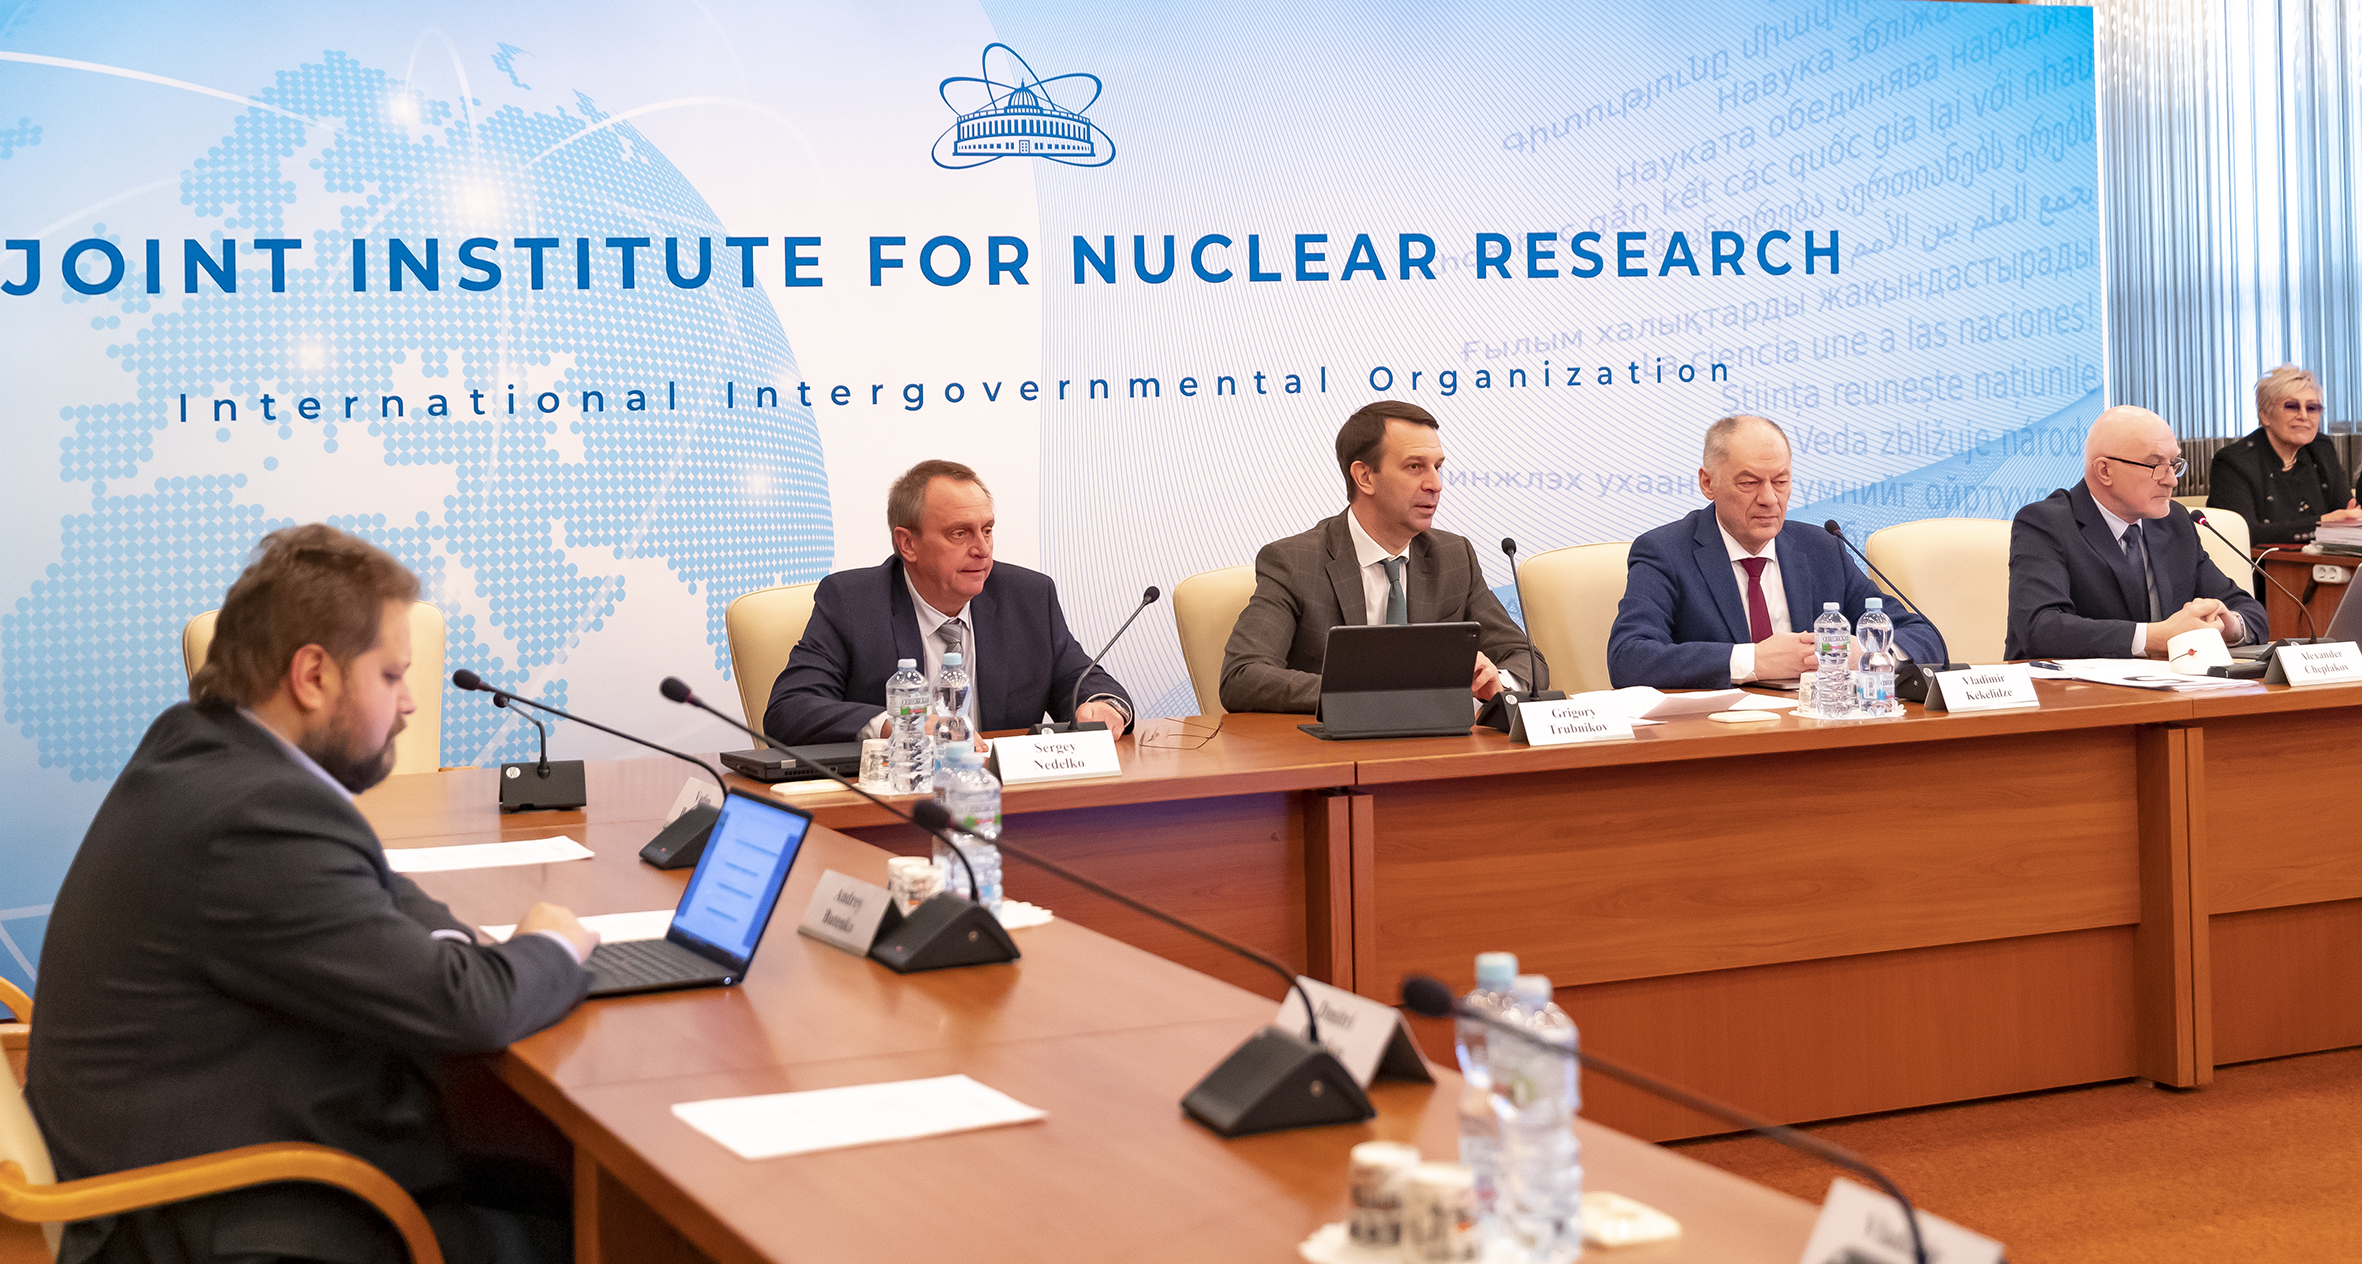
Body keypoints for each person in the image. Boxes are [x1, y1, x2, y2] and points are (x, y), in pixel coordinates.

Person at [29, 524, 596, 1264]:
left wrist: (446, 946)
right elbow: (470, 1008)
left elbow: (380, 885)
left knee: (541, 1171)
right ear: (313, 675)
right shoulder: (255, 817)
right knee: (602, 1228)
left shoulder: (201, 745)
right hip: (213, 1223)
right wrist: (551, 943)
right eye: (390, 676)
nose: (410, 704)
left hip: (195, 1164)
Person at [764, 459, 1132, 745]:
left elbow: (1082, 681)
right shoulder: (852, 602)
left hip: (1000, 796)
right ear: (908, 544)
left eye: (987, 530)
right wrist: (900, 725)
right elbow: (789, 709)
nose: (982, 549)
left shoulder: (1027, 597)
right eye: (960, 533)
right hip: (899, 796)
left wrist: (1104, 706)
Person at [1219, 400, 1545, 713]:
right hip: (1338, 744)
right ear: (1365, 477)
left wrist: (1497, 682)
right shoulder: (1294, 562)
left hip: (1438, 744)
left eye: (1437, 467)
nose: (1435, 484)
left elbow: (1527, 661)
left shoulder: (1453, 557)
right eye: (1415, 467)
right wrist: (1371, 693)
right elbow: (1242, 676)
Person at [1608, 414, 1946, 688]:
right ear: (1708, 483)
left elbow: (1925, 638)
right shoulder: (1666, 552)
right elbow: (1629, 658)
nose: (1770, 499)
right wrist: (1754, 660)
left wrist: (1867, 654)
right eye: (1749, 483)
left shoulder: (1822, 549)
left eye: (1780, 482)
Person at [2006, 405, 2268, 660]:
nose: (2172, 480)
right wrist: (2156, 636)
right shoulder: (2046, 523)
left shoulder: (2174, 522)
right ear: (2105, 471)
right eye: (2155, 466)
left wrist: (2228, 624)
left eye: (2174, 464)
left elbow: (2251, 613)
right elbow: (2040, 628)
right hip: (2069, 686)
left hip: (2167, 683)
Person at [2203, 363, 2362, 547]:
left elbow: (2345, 512)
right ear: (2264, 415)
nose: (2304, 416)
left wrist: (2350, 518)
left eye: (2312, 408)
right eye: (2292, 406)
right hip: (2260, 563)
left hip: (2322, 562)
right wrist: (2321, 523)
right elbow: (2244, 533)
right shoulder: (2233, 462)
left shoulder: (2321, 448)